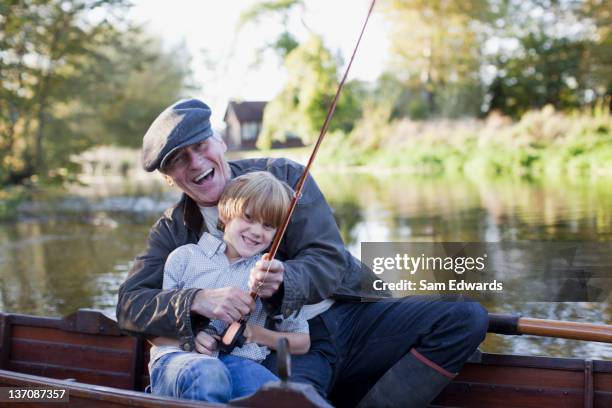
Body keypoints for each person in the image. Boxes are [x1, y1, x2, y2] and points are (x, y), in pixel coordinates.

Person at [117, 98, 489, 407]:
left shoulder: (284, 175)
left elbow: (328, 258)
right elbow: (131, 306)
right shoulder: (173, 229)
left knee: (465, 318)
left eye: (200, 147)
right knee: (291, 402)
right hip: (288, 348)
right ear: (169, 179)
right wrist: (197, 301)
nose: (196, 163)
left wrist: (284, 279)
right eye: (179, 160)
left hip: (350, 315)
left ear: (219, 142)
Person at [148, 171, 310, 403]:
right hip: (178, 358)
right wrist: (188, 339)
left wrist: (254, 333)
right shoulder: (183, 258)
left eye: (268, 225)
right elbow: (155, 330)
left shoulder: (271, 274)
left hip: (238, 363)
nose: (256, 231)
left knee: (283, 399)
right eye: (248, 217)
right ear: (225, 213)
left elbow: (302, 342)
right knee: (209, 374)